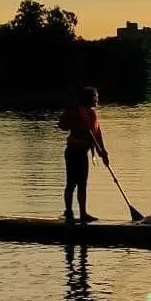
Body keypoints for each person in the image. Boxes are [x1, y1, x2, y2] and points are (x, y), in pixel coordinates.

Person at [58, 86, 109, 223]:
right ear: (88, 99)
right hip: (73, 152)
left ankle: (83, 213)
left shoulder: (92, 115)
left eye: (97, 97)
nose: (97, 100)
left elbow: (97, 135)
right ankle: (68, 212)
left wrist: (103, 153)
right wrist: (75, 124)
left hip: (83, 153)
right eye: (95, 97)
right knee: (71, 183)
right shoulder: (75, 112)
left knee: (82, 184)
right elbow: (62, 125)